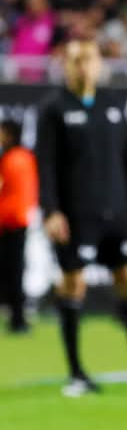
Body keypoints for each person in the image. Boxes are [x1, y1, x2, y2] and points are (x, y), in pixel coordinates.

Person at [35, 40, 127, 397]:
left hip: (115, 212)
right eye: (76, 60)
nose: (83, 66)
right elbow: (46, 166)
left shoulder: (112, 106)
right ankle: (77, 374)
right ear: (65, 66)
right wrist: (51, 211)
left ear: (100, 65)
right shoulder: (52, 109)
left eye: (89, 59)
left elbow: (126, 162)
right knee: (73, 286)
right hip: (76, 215)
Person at [0, 119, 38, 333]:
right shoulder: (25, 157)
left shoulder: (12, 159)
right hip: (19, 221)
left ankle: (18, 319)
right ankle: (18, 316)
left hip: (11, 223)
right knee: (14, 271)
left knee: (13, 272)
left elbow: (10, 196)